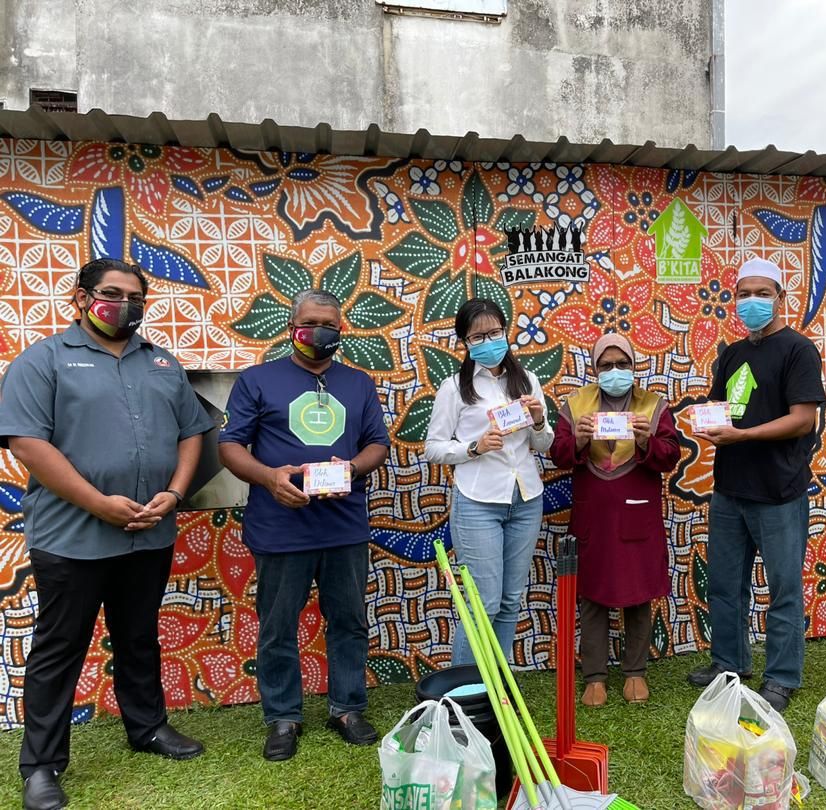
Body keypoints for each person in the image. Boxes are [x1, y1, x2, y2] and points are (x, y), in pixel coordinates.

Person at [0, 258, 214, 810]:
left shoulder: (162, 363)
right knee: (60, 647)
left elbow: (193, 432)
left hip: (149, 534)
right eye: (113, 293)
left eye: (137, 297)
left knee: (139, 636)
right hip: (73, 536)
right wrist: (98, 503)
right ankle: (42, 766)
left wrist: (175, 492)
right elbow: (27, 443)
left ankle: (147, 728)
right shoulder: (42, 361)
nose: (126, 305)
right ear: (80, 298)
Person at [218, 289, 390, 761]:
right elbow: (230, 445)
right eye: (311, 322)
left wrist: (353, 469)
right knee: (277, 626)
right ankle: (283, 717)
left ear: (342, 329)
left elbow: (378, 443)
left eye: (329, 325)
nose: (320, 332)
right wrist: (269, 479)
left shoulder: (358, 383)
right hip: (279, 527)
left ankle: (348, 708)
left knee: (349, 621)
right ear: (291, 326)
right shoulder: (257, 380)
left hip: (344, 526)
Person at [687, 258, 826, 713]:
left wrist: (743, 435)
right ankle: (728, 663)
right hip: (730, 488)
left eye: (761, 293)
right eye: (743, 293)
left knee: (784, 587)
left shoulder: (797, 350)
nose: (751, 302)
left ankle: (782, 677)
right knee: (726, 584)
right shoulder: (732, 353)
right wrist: (702, 421)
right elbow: (720, 406)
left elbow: (804, 418)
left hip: (779, 491)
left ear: (781, 298)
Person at [550, 334, 679, 706]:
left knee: (638, 595)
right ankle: (594, 676)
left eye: (622, 364)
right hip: (594, 517)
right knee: (592, 595)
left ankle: (635, 673)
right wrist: (575, 439)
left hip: (638, 513)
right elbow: (558, 455)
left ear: (634, 366)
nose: (615, 372)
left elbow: (670, 456)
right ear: (594, 369)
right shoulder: (575, 406)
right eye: (606, 366)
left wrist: (645, 441)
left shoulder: (653, 406)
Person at [424, 298, 552, 666]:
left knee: (511, 599)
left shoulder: (527, 380)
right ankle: (465, 691)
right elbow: (433, 447)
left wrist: (540, 420)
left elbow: (541, 445)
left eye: (495, 332)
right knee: (484, 602)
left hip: (526, 497)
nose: (489, 341)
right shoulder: (454, 388)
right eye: (478, 336)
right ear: (464, 342)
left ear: (506, 332)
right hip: (478, 499)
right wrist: (473, 448)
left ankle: (500, 688)